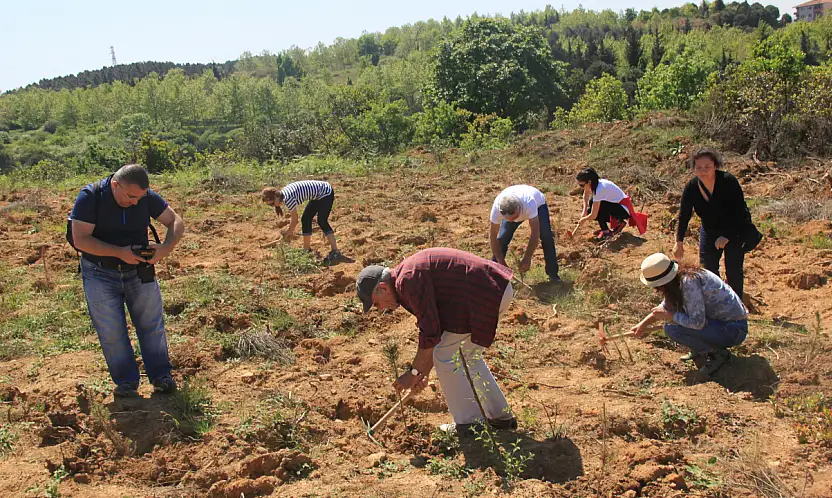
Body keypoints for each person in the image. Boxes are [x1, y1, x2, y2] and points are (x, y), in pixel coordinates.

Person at [356, 248, 517, 433]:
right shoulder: (405, 281)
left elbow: (431, 334)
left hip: (486, 292)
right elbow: (437, 333)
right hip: (494, 290)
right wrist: (422, 373)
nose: (379, 309)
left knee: (446, 356)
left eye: (376, 303)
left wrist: (413, 373)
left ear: (383, 288)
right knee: (466, 357)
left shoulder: (407, 281)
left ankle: (470, 424)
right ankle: (501, 417)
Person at [70, 164, 185, 397]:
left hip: (138, 271)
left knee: (151, 324)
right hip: (100, 272)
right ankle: (126, 382)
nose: (135, 202)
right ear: (115, 185)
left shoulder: (144, 197)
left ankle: (161, 376)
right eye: (131, 196)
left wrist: (165, 248)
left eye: (140, 198)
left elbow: (175, 221)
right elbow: (80, 239)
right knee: (111, 330)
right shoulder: (90, 197)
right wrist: (119, 252)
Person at [631, 253, 748, 377]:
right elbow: (665, 307)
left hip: (733, 329)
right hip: (722, 324)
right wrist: (642, 325)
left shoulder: (689, 283)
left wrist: (672, 316)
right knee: (674, 323)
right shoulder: (681, 278)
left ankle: (716, 354)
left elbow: (697, 322)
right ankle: (703, 348)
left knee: (672, 328)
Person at [674, 148, 760, 299]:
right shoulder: (692, 187)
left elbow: (740, 211)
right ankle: (716, 303)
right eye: (699, 167)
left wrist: (728, 236)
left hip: (735, 229)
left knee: (733, 270)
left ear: (715, 166)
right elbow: (684, 214)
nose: (703, 171)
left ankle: (737, 306)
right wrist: (679, 241)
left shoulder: (728, 181)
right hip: (710, 230)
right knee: (708, 270)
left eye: (707, 166)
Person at [489, 184, 559, 282]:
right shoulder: (497, 208)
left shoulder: (529, 203)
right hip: (514, 198)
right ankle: (494, 274)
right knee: (503, 238)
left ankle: (553, 275)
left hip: (538, 204)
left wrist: (527, 257)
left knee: (546, 236)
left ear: (518, 209)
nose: (510, 220)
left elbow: (535, 232)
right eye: (506, 219)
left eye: (513, 218)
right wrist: (501, 262)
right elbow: (493, 236)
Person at [261, 180, 342, 262]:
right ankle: (306, 249)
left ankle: (335, 251)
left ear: (276, 196)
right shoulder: (283, 194)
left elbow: (295, 219)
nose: (272, 206)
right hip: (318, 195)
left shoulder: (288, 198)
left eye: (271, 204)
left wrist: (289, 232)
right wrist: (289, 232)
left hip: (326, 193)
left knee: (322, 221)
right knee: (305, 219)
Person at [570, 168, 646, 239]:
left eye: (582, 185)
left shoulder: (600, 189)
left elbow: (594, 215)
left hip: (623, 209)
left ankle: (607, 230)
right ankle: (609, 227)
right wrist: (584, 211)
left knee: (597, 206)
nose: (581, 187)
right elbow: (586, 194)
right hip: (615, 206)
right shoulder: (595, 184)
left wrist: (584, 219)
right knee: (592, 204)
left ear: (589, 182)